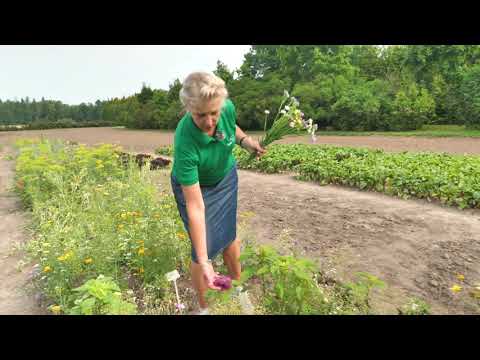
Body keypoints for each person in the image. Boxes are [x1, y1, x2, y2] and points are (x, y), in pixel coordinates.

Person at [170, 71, 266, 314]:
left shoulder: (226, 108)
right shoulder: (185, 141)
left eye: (214, 113)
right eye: (201, 115)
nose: (210, 121)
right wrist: (205, 260)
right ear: (189, 108)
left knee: (229, 235)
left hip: (225, 178)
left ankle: (239, 289)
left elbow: (230, 127)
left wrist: (245, 141)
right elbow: (195, 206)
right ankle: (204, 308)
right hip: (196, 189)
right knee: (203, 248)